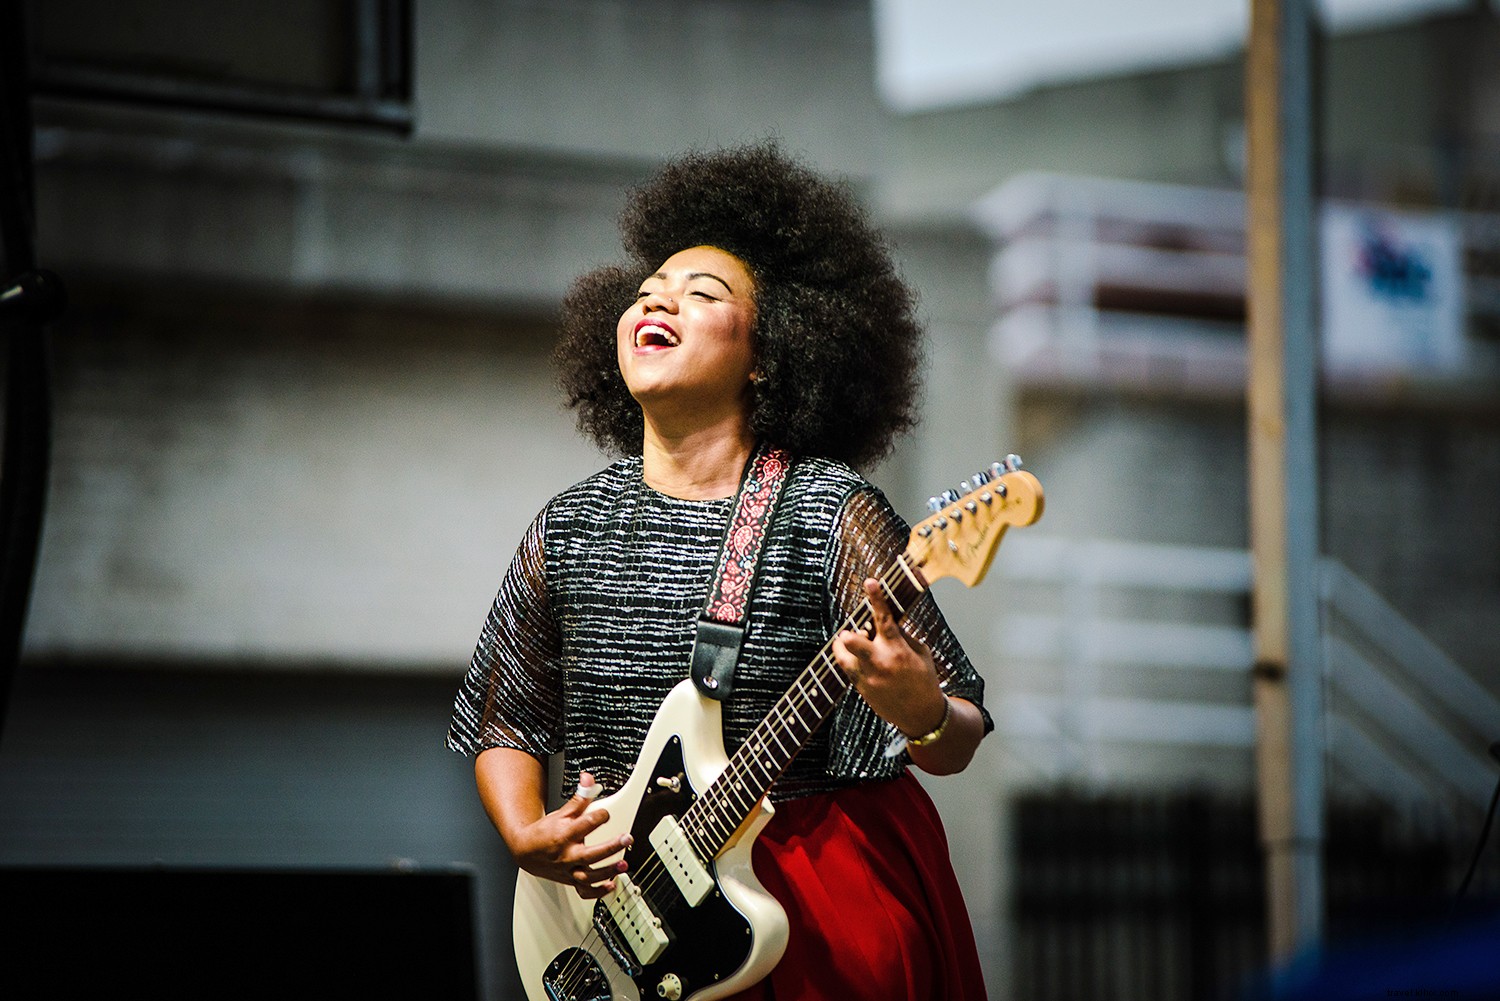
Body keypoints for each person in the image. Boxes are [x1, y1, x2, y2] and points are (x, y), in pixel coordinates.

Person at [448, 140, 991, 1000]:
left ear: (771, 353)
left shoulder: (828, 511)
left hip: (813, 905)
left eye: (704, 294)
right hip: (610, 914)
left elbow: (957, 732)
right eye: (645, 292)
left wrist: (919, 708)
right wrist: (524, 830)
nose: (659, 299)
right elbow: (506, 718)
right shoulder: (568, 525)